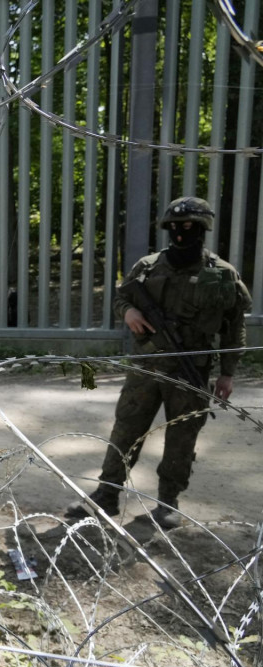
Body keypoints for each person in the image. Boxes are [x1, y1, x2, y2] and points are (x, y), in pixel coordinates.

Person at [65, 197, 252, 529]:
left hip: (190, 370)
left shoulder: (222, 275)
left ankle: (168, 501)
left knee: (182, 438)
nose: (181, 234)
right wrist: (129, 312)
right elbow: (122, 297)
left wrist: (227, 373)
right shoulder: (148, 267)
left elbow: (234, 326)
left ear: (203, 229)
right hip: (146, 368)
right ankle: (106, 495)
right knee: (126, 430)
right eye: (176, 227)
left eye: (190, 227)